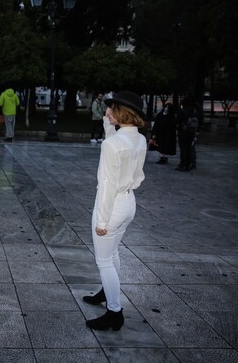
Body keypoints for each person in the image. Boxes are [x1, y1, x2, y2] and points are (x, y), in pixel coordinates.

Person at [82, 91, 147, 331]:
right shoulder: (138, 138)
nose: (106, 112)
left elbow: (106, 185)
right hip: (129, 202)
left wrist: (101, 220)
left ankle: (114, 312)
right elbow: (116, 143)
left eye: (110, 108)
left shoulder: (112, 144)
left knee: (104, 261)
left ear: (120, 112)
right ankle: (106, 291)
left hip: (112, 206)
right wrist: (108, 125)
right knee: (113, 254)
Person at [176, 97, 199, 172]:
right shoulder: (194, 111)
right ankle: (188, 164)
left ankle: (183, 165)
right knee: (189, 148)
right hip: (192, 132)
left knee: (183, 149)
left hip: (183, 132)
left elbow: (177, 120)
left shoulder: (183, 111)